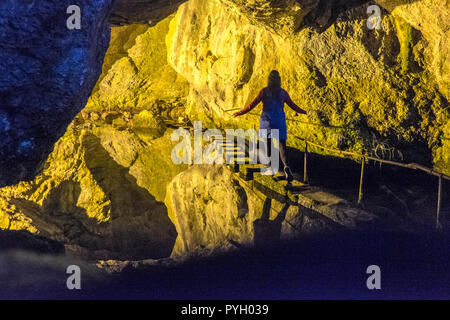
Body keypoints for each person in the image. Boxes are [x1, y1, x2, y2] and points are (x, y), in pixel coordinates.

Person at [233, 70, 307, 181]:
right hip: (279, 121)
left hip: (266, 122)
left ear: (269, 79)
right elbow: (293, 105)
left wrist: (239, 112)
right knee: (282, 146)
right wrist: (303, 111)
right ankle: (286, 167)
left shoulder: (264, 91)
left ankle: (270, 166)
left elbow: (251, 105)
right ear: (279, 80)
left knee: (267, 145)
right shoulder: (283, 93)